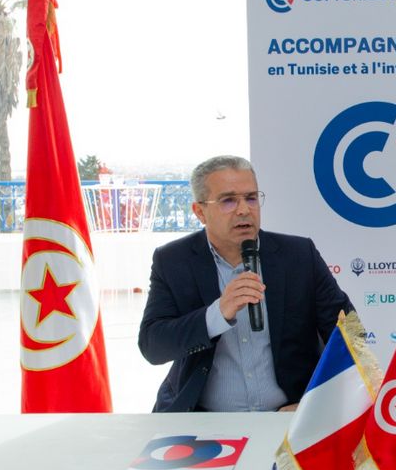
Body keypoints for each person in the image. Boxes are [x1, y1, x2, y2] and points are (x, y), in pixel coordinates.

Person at [139, 155, 352, 412]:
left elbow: (350, 334)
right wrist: (216, 315)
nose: (244, 210)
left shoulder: (299, 255)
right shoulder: (173, 260)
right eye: (228, 201)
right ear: (200, 212)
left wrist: (314, 402)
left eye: (251, 198)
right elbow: (152, 345)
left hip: (289, 415)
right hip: (204, 418)